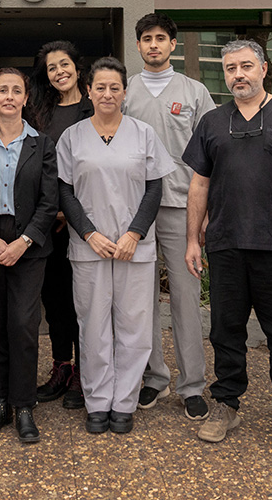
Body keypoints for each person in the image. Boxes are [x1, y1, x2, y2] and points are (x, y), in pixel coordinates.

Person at [182, 40, 272, 451]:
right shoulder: (211, 122)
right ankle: (226, 403)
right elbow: (200, 183)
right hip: (226, 244)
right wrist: (193, 239)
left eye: (246, 66)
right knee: (226, 330)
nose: (238, 74)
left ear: (265, 69)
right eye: (230, 68)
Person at [56, 57, 173, 435]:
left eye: (115, 87)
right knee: (93, 326)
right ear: (89, 91)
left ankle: (124, 402)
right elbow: (65, 191)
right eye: (100, 87)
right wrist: (89, 233)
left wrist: (134, 233)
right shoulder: (72, 137)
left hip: (133, 247)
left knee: (133, 326)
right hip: (89, 246)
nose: (107, 93)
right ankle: (97, 401)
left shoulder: (143, 133)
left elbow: (155, 186)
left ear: (124, 92)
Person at [124, 13, 216, 421]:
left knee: (185, 297)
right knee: (140, 299)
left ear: (173, 44)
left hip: (183, 207)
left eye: (161, 38)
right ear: (138, 45)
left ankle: (192, 384)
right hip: (137, 208)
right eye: (147, 39)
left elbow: (212, 157)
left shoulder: (195, 92)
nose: (154, 45)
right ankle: (154, 377)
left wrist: (207, 211)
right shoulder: (124, 92)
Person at [0, 68, 59, 443]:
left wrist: (24, 242)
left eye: (16, 90)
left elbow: (50, 200)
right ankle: (0, 400)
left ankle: (24, 406)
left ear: (25, 98)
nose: (9, 96)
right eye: (2, 90)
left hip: (29, 247)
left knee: (22, 325)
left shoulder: (43, 143)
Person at [27, 40, 92, 409]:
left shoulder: (93, 107)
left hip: (85, 221)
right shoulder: (40, 112)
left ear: (77, 67)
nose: (58, 72)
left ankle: (86, 373)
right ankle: (61, 368)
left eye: (64, 64)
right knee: (56, 301)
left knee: (85, 300)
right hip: (49, 222)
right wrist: (49, 211)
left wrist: (70, 211)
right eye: (51, 68)